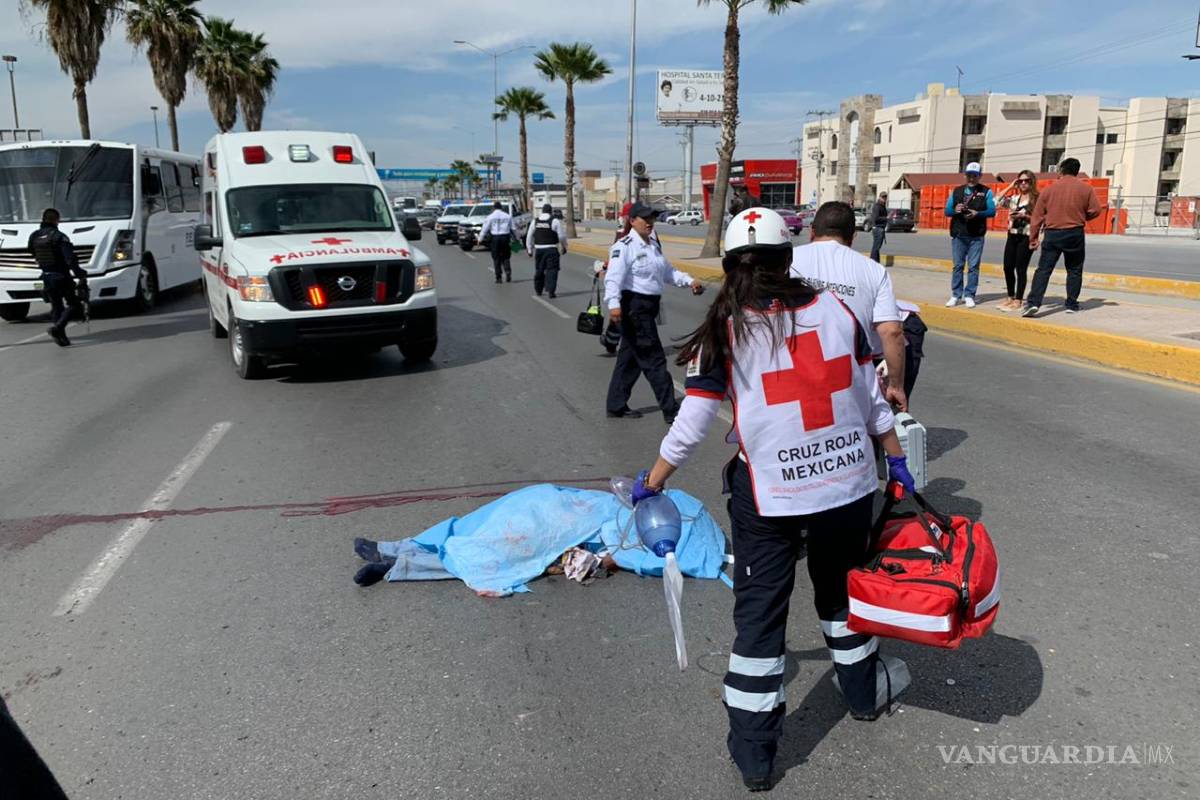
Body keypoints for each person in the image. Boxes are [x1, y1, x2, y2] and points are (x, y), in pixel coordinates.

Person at [630, 207, 917, 791]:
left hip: (770, 498)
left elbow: (693, 423)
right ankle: (862, 696)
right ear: (789, 258)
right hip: (847, 488)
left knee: (761, 620)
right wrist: (899, 459)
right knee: (843, 594)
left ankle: (756, 755)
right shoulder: (837, 310)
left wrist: (654, 479)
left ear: (734, 267)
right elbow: (872, 401)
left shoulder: (727, 329)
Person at [791, 201, 907, 411]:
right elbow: (892, 332)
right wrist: (896, 386)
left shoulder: (787, 261)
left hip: (796, 372)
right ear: (853, 236)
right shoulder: (873, 270)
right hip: (852, 378)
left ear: (811, 231)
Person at [604, 202, 705, 423]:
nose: (650, 222)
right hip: (634, 309)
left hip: (647, 308)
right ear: (632, 221)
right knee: (654, 360)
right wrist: (613, 305)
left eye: (652, 218)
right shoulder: (624, 246)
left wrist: (689, 281)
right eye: (645, 218)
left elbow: (667, 271)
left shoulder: (652, 245)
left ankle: (616, 404)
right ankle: (671, 410)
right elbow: (613, 277)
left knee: (630, 360)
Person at [1022, 157, 1102, 317]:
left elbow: (1037, 217)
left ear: (1061, 170)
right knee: (1074, 270)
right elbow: (1096, 210)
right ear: (1077, 171)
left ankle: (1033, 303)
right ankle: (1071, 304)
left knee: (1044, 270)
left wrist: (1033, 238)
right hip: (1075, 232)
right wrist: (1082, 217)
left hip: (1053, 233)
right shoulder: (1086, 189)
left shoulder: (1049, 190)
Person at [28, 208, 88, 347]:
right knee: (75, 305)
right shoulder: (59, 236)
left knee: (56, 306)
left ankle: (61, 336)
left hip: (45, 277)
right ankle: (58, 328)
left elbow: (31, 251)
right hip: (61, 276)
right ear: (57, 220)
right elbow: (70, 259)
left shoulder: (34, 236)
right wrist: (80, 274)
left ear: (43, 219)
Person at [943, 162, 995, 308]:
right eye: (969, 175)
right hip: (959, 234)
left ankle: (970, 295)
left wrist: (978, 213)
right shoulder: (957, 191)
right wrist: (955, 210)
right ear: (965, 175)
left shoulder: (986, 191)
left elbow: (992, 211)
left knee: (973, 266)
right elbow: (947, 211)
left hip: (976, 235)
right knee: (958, 266)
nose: (971, 178)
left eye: (975, 175)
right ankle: (956, 294)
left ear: (980, 176)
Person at [994, 170, 1039, 311]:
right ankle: (1010, 296)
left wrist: (1026, 217)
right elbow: (995, 202)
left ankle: (1018, 300)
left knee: (1021, 268)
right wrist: (1010, 186)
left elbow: (1041, 220)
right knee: (1007, 266)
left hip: (1026, 236)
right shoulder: (1014, 199)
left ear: (1032, 182)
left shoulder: (1036, 199)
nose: (1023, 183)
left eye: (1026, 181)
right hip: (1012, 235)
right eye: (1021, 181)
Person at [525, 203, 567, 298]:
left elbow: (529, 236)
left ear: (542, 211)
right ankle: (551, 291)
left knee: (539, 270)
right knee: (552, 270)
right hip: (551, 249)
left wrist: (529, 250)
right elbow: (561, 236)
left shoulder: (535, 221)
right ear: (550, 211)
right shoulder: (554, 221)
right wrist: (564, 246)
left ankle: (538, 290)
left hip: (539, 250)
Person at [482, 201, 519, 283]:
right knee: (506, 256)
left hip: (495, 238)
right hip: (505, 237)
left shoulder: (490, 217)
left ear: (494, 208)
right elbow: (514, 229)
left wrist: (480, 239)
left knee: (496, 258)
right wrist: (517, 238)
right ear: (501, 208)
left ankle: (498, 277)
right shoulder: (508, 216)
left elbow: (485, 229)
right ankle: (508, 272)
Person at [868, 191, 889, 262]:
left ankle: (876, 263)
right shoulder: (877, 206)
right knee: (876, 247)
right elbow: (876, 218)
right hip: (878, 229)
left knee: (876, 247)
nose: (884, 198)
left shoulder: (882, 206)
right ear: (879, 197)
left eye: (885, 197)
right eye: (883, 197)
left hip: (880, 228)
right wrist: (886, 218)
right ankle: (872, 263)